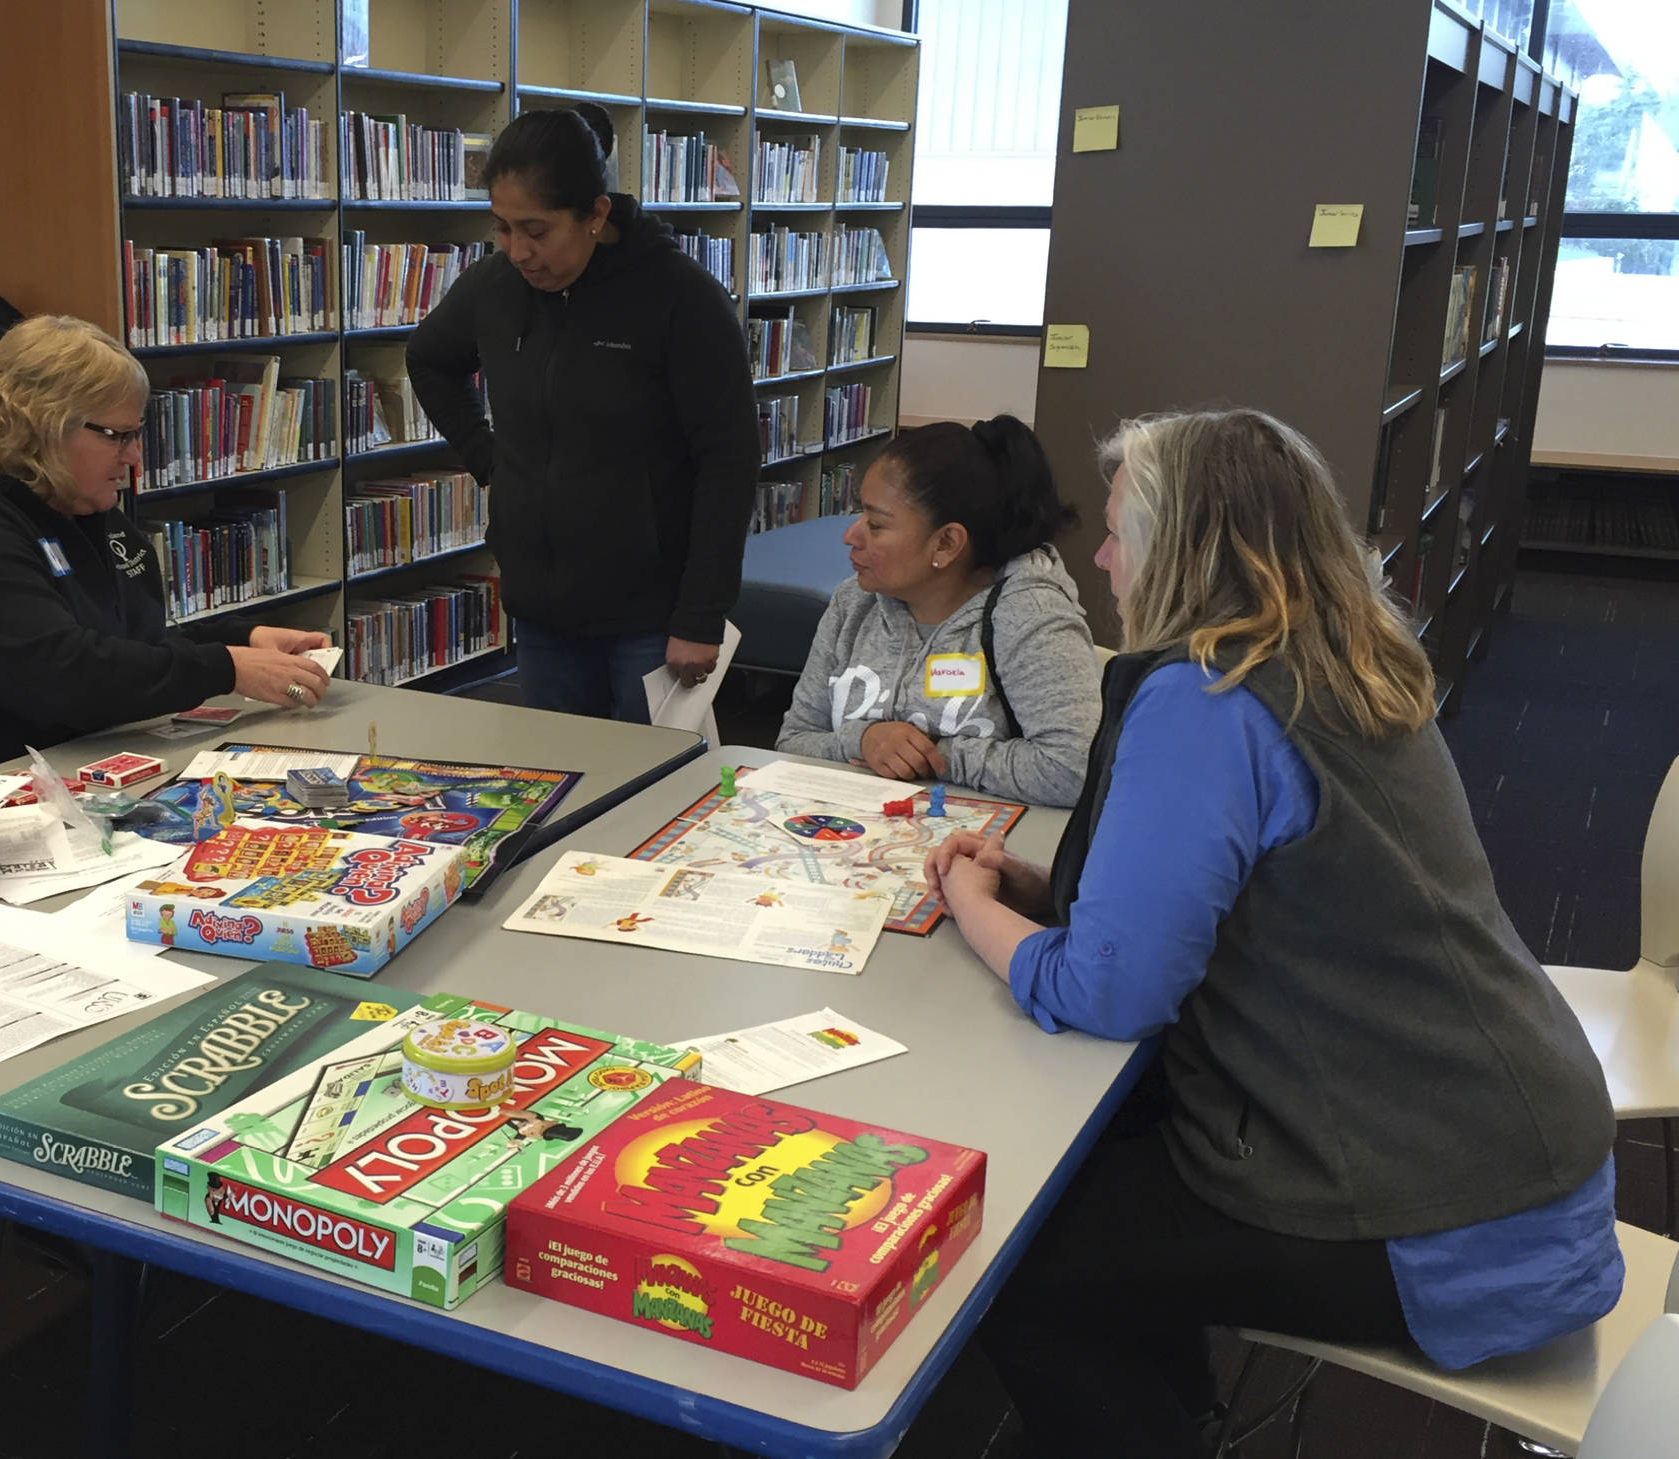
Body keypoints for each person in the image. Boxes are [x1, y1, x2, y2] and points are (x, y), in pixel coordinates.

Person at [922, 408, 1620, 1458]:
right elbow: (1253, 883)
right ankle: (1173, 1404)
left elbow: (1108, 993)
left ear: (1181, 552)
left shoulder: (1207, 696)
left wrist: (970, 903)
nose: (1102, 557)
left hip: (1445, 1220)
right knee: (1104, 1172)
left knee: (1008, 1257)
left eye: (1117, 532)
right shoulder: (1345, 652)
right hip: (1528, 1152)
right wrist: (1046, 885)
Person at [0, 315, 332, 771]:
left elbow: (125, 645)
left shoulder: (79, 506)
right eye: (117, 436)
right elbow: (63, 676)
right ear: (40, 424)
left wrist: (241, 641)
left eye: (136, 434)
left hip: (65, 769)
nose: (135, 456)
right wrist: (226, 668)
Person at [407, 102, 757, 722]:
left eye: (537, 231)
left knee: (653, 796)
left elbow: (728, 463)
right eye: (502, 227)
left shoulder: (680, 299)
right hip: (542, 613)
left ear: (595, 214)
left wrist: (701, 614)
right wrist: (490, 461)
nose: (517, 250)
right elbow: (429, 359)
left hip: (651, 619)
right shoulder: (495, 288)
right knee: (560, 791)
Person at [774, 418, 1099, 806]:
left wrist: (935, 756)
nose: (850, 535)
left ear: (946, 543)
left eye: (876, 525)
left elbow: (1074, 770)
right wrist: (863, 739)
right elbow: (792, 742)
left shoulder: (1030, 616)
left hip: (979, 852)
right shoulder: (853, 604)